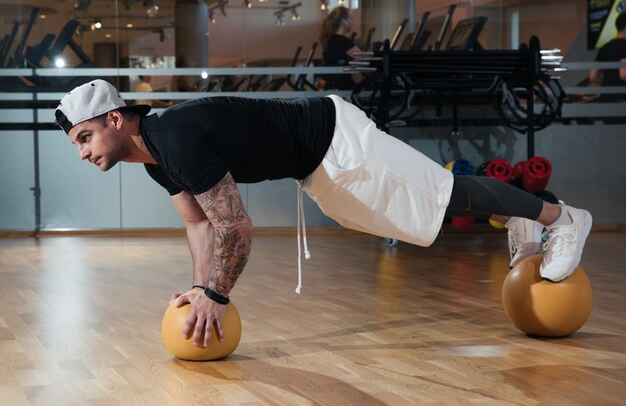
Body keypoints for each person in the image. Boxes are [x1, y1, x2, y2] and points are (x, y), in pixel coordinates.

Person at [54, 79, 593, 349]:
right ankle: (524, 217)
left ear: (118, 119)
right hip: (317, 165)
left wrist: (217, 295)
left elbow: (235, 226)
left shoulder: (175, 141)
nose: (83, 152)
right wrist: (199, 290)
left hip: (337, 142)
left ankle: (560, 217)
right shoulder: (156, 160)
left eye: (86, 137)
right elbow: (199, 222)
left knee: (440, 196)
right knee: (416, 217)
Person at [319, 6, 361, 90]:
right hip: (340, 89)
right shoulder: (342, 41)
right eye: (350, 19)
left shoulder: (333, 39)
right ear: (344, 21)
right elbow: (363, 57)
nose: (352, 22)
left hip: (334, 87)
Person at [588, 12, 626, 101]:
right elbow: (623, 75)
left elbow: (593, 76)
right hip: (622, 100)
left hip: (606, 98)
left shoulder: (605, 47)